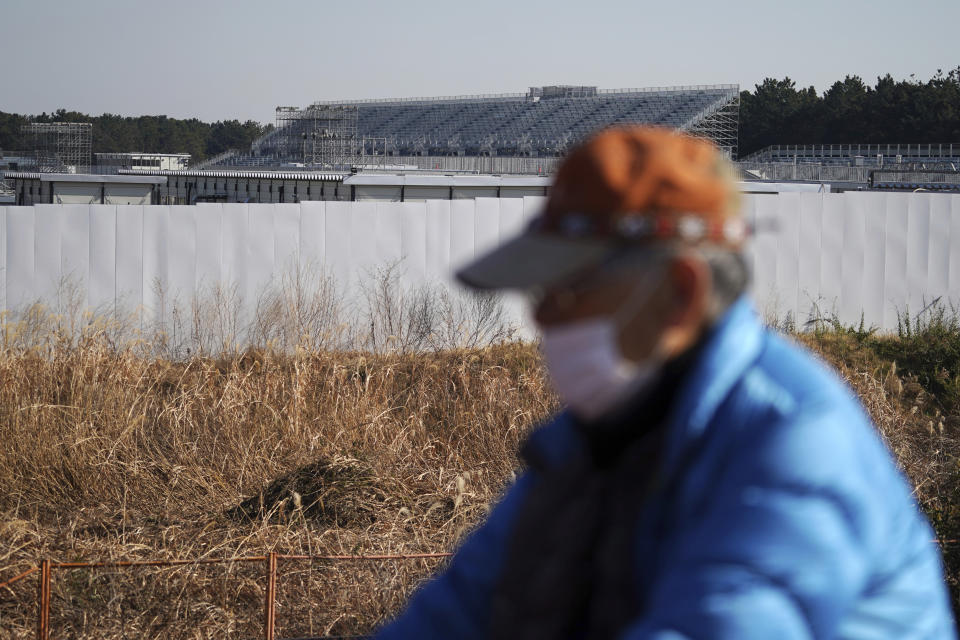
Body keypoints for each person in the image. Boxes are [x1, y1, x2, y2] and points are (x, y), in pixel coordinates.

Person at [374, 126, 956, 639]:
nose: (542, 317)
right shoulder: (588, 440)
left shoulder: (794, 442)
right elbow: (458, 609)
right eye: (537, 292)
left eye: (569, 289)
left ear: (680, 294)